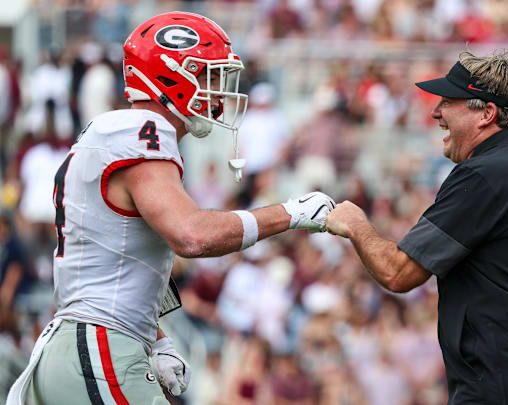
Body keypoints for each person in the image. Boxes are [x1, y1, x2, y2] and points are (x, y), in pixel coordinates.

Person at [8, 12, 335, 405]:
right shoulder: (141, 132)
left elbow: (122, 255)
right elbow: (192, 236)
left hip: (83, 345)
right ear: (170, 75)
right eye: (209, 76)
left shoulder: (117, 134)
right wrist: (291, 213)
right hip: (97, 347)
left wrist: (158, 339)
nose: (218, 90)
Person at [326, 50, 508, 405]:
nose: (435, 112)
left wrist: (356, 224)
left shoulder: (483, 175)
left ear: (486, 113)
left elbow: (397, 273)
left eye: (449, 102)